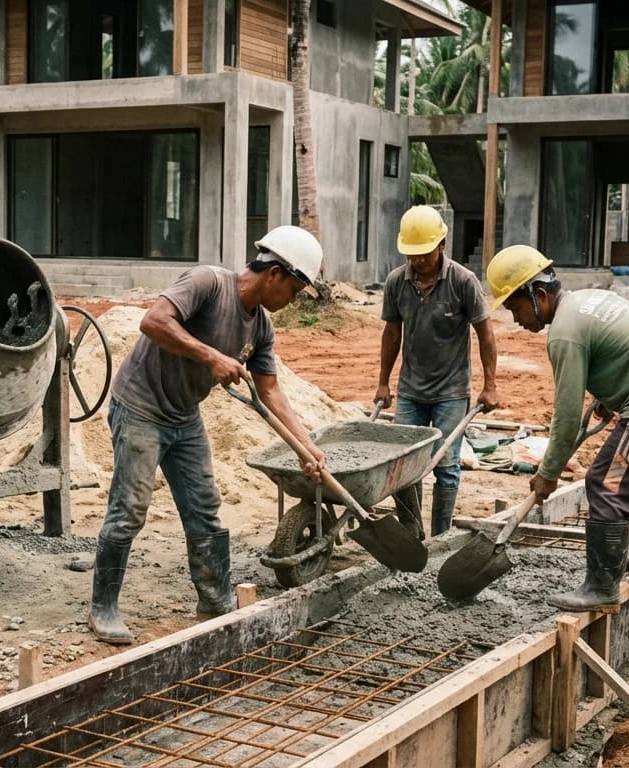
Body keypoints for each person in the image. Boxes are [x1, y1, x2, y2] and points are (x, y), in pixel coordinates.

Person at [89, 226, 328, 644]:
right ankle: (103, 608)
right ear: (275, 273)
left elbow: (270, 390)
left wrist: (306, 448)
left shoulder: (261, 328)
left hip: (184, 416)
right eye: (294, 290)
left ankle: (215, 601)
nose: (292, 301)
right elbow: (153, 321)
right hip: (140, 407)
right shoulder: (207, 283)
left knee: (205, 508)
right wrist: (211, 356)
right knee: (129, 509)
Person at [486, 245, 629, 614]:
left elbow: (567, 416)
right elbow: (625, 350)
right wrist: (612, 394)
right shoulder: (587, 300)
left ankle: (600, 587)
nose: (516, 320)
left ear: (538, 295)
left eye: (515, 307)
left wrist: (547, 473)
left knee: (606, 485)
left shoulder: (564, 332)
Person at [376, 206, 499, 539]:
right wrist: (383, 382)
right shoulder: (396, 282)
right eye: (412, 255)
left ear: (442, 244)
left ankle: (440, 536)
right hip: (410, 391)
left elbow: (485, 333)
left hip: (451, 392)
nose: (418, 261)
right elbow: (391, 333)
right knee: (403, 466)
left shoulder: (463, 281)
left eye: (424, 254)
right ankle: (412, 535)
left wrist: (491, 385)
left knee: (445, 466)